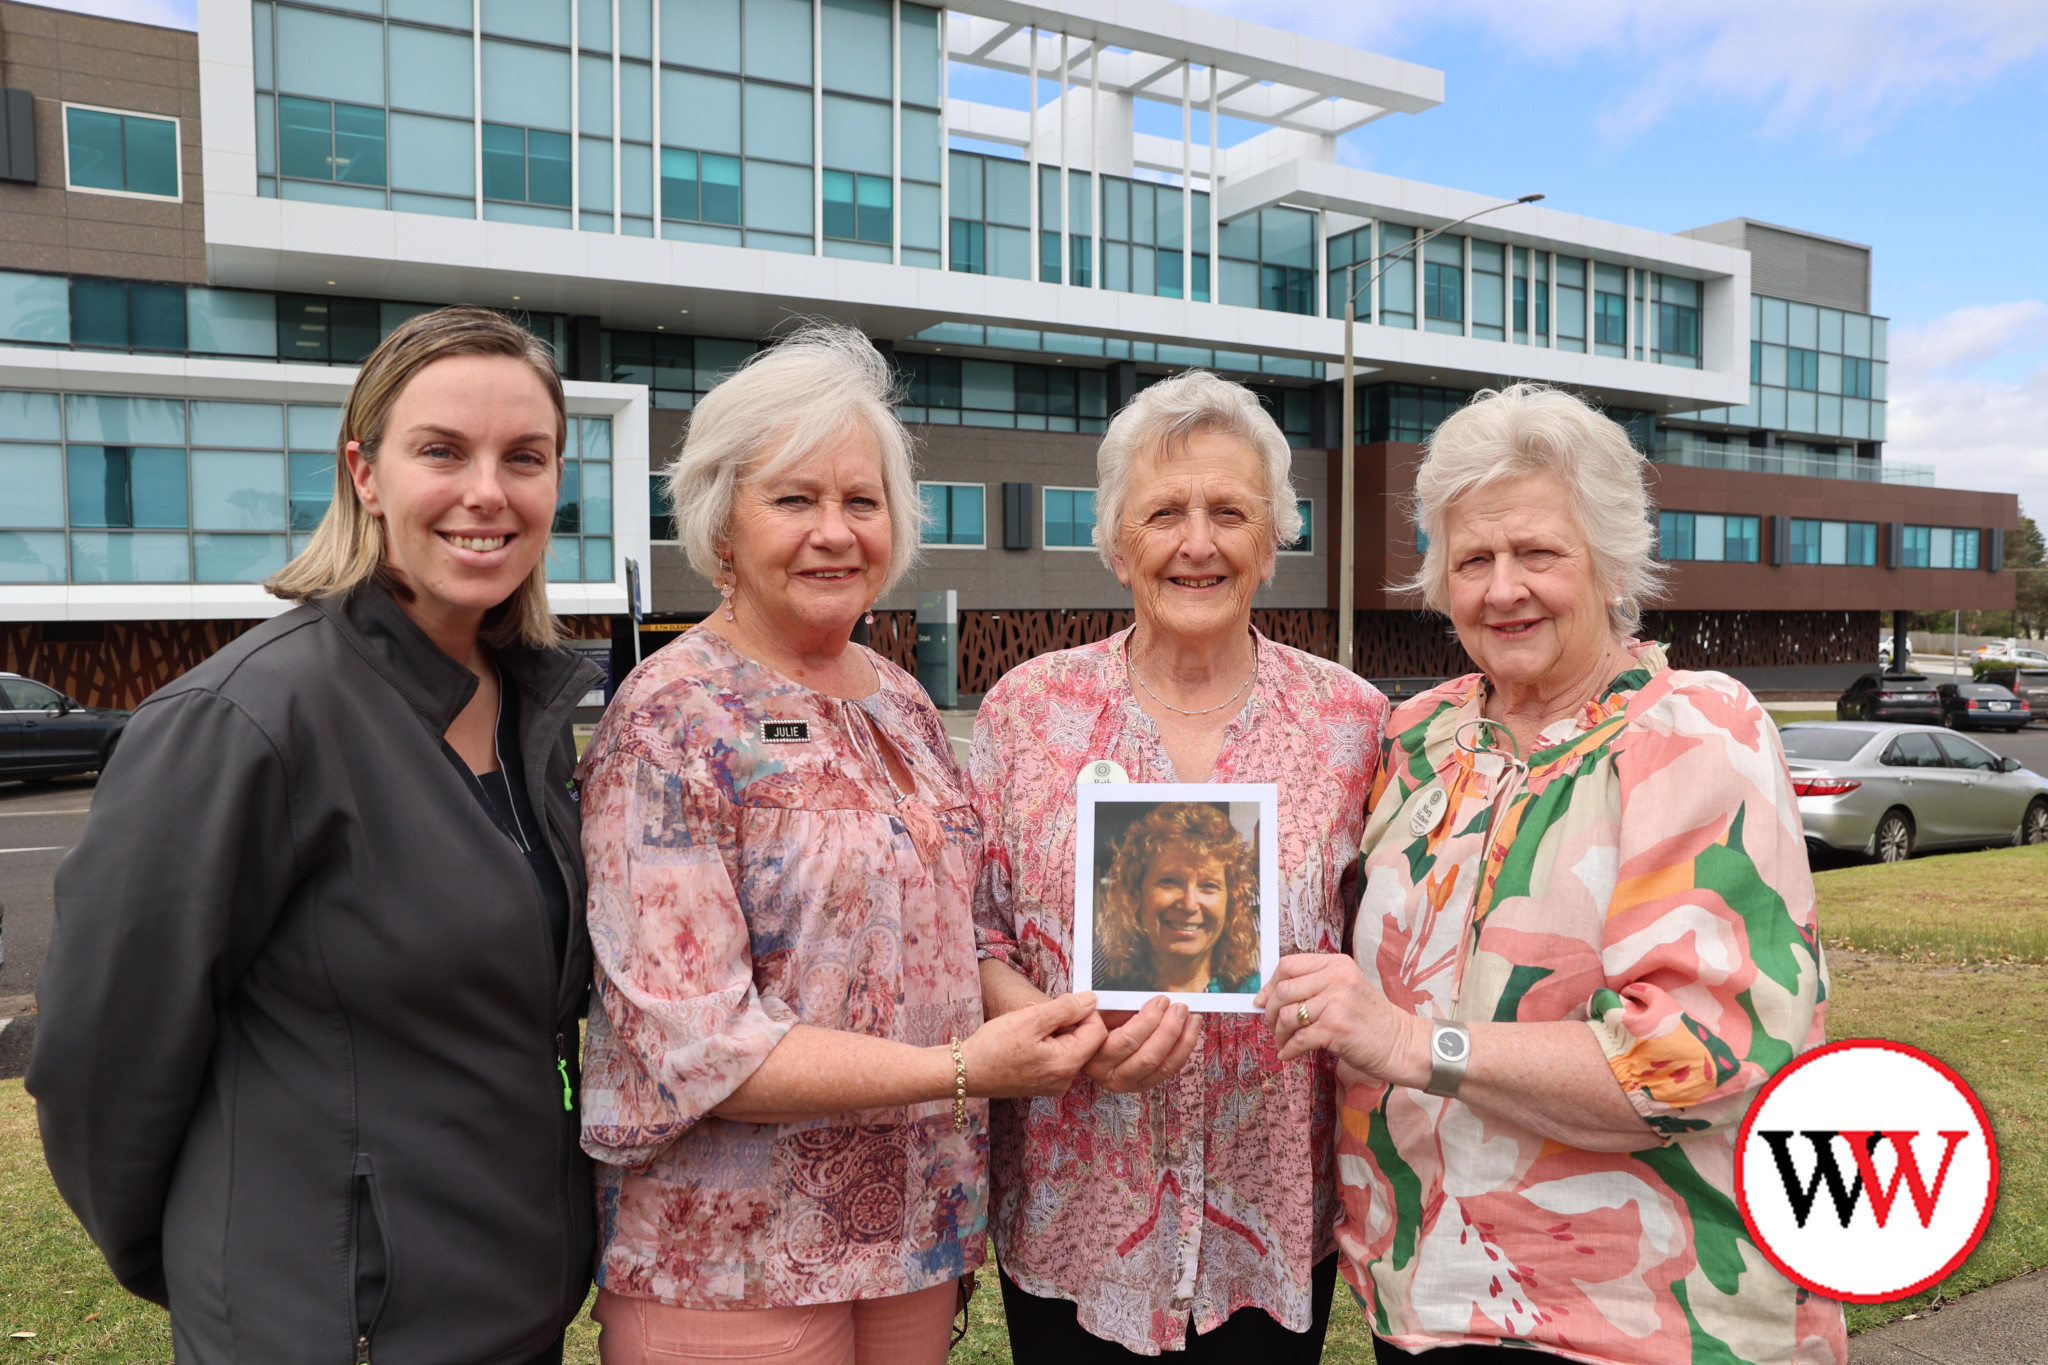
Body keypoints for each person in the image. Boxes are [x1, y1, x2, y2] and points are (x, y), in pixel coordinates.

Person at [28, 307, 602, 1363]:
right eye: (441, 450)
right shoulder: (246, 719)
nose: (489, 491)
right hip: (324, 1323)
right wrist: (233, 1262)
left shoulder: (530, 709)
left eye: (525, 457)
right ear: (365, 473)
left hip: (510, 1301)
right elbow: (97, 1057)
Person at [1257, 383, 1845, 1365]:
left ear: (1610, 564)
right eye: (1471, 558)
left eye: (1537, 553)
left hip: (1641, 1320)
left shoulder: (1694, 730)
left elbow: (1698, 1059)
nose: (1501, 588)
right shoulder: (1416, 739)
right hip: (1423, 1300)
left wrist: (1410, 1042)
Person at [576, 322, 1103, 1365]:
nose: (833, 530)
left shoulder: (902, 702)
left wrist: (1057, 1028)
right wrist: (963, 1068)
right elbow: (696, 1041)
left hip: (913, 1234)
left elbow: (965, 938)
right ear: (723, 524)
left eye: (860, 501)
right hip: (733, 1254)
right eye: (793, 499)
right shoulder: (667, 718)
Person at [969, 370, 1389, 1361]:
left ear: (1274, 538)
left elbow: (1388, 940)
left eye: (1229, 512)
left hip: (1267, 1216)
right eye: (1163, 512)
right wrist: (1054, 1034)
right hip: (1080, 1219)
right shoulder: (1027, 712)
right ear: (1117, 542)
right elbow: (978, 928)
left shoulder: (1353, 725)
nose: (1196, 542)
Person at [1093, 802, 1261, 995]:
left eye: (1208, 886)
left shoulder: (1259, 995)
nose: (1189, 904)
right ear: (1135, 896)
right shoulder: (1106, 1000)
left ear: (1231, 902)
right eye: (1170, 882)